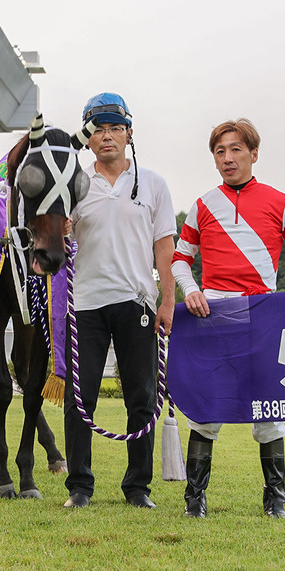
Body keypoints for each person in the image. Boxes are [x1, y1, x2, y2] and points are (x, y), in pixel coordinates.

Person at [172, 118, 285, 519]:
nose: (227, 158)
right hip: (215, 318)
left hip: (264, 319)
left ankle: (275, 502)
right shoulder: (202, 204)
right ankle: (195, 501)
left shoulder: (279, 201)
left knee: (270, 412)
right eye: (220, 151)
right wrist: (191, 290)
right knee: (208, 410)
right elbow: (179, 260)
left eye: (236, 149)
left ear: (254, 154)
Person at [63, 92, 176, 510]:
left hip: (137, 300)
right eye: (98, 129)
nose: (107, 136)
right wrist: (62, 231)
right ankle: (80, 486)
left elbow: (164, 246)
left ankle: (137, 488)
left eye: (115, 128)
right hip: (87, 302)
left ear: (129, 133)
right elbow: (60, 239)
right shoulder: (75, 184)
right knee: (81, 399)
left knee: (142, 397)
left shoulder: (153, 183)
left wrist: (167, 300)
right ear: (88, 139)